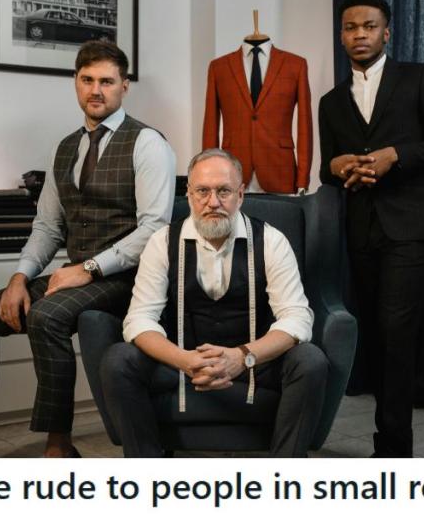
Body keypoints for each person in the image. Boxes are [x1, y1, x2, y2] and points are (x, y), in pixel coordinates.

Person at [0, 41, 176, 458]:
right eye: (87, 80)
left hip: (130, 279)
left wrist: (88, 268)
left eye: (107, 81)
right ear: (75, 82)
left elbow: (154, 230)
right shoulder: (65, 148)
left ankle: (59, 448)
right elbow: (48, 226)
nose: (96, 90)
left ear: (124, 86)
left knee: (47, 316)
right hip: (76, 276)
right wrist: (19, 278)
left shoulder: (148, 143)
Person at [100, 149, 327, 457]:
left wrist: (242, 357)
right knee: (118, 359)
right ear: (189, 195)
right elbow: (140, 320)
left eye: (224, 191)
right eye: (203, 191)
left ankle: (284, 472)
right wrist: (184, 360)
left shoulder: (271, 241)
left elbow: (296, 318)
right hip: (181, 362)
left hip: (253, 363)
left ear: (240, 195)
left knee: (310, 360)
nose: (213, 202)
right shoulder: (162, 242)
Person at [318, 0, 424, 457]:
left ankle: (394, 451)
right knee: (378, 337)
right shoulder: (330, 102)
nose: (359, 34)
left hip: (411, 226)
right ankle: (388, 443)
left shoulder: (419, 77)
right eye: (350, 27)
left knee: (397, 333)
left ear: (386, 32)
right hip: (361, 230)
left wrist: (395, 156)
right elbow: (327, 169)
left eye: (368, 26)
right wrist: (337, 166)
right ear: (341, 36)